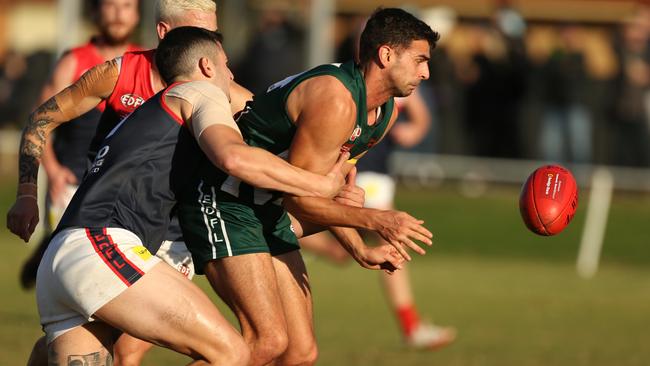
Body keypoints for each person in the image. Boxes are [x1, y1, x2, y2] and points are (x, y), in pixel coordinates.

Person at [6, 25, 354, 366]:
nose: (230, 74)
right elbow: (234, 157)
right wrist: (319, 185)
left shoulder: (154, 110)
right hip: (99, 246)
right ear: (206, 66)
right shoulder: (200, 93)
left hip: (65, 260)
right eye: (226, 65)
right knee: (231, 353)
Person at [177, 8, 439, 366]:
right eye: (420, 60)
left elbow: (322, 193)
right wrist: (375, 220)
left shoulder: (385, 113)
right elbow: (300, 202)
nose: (426, 72)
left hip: (267, 209)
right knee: (266, 342)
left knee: (300, 353)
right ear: (386, 55)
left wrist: (358, 247)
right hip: (226, 199)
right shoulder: (336, 100)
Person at [299, 89, 457, 350]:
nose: (423, 72)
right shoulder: (348, 83)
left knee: (341, 252)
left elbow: (421, 117)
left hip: (380, 172)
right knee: (394, 244)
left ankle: (283, 228)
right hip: (361, 172)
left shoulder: (402, 82)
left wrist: (414, 131)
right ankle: (412, 327)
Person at [20, 0, 142, 290]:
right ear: (97, 12)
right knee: (73, 272)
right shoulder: (74, 61)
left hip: (122, 186)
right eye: (111, 6)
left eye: (126, 6)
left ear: (137, 15)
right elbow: (39, 122)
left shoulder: (145, 62)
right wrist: (53, 171)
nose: (118, 14)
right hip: (72, 180)